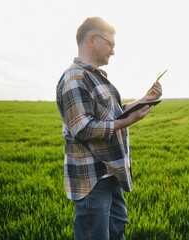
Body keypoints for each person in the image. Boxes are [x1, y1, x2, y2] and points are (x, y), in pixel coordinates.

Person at [56, 16, 163, 240]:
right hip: (92, 180)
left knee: (117, 229)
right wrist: (129, 121)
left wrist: (144, 99)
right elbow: (83, 128)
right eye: (110, 44)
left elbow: (113, 113)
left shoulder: (95, 77)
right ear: (92, 39)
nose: (113, 51)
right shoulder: (74, 78)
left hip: (110, 172)